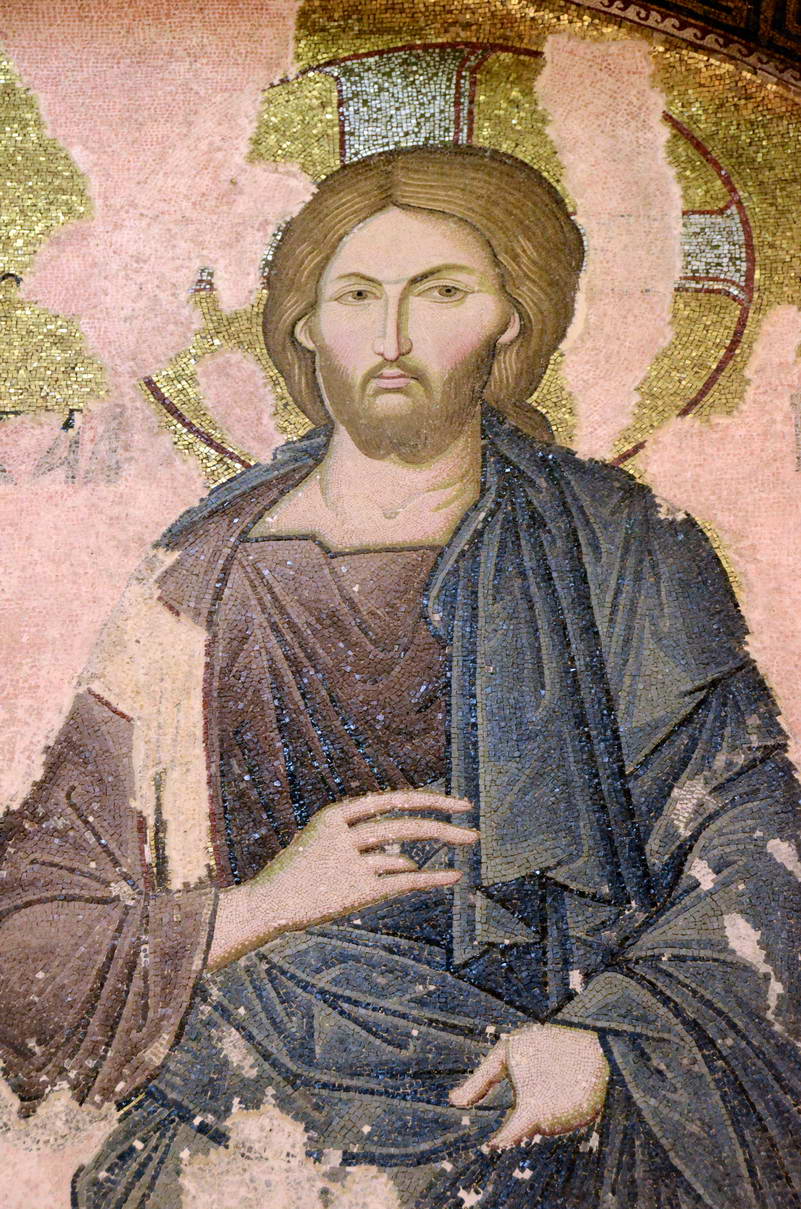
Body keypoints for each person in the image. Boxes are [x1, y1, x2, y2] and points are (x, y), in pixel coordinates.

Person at [2, 145, 801, 1209]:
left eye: (441, 293)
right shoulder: (192, 587)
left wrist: (611, 1046)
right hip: (240, 1142)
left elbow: (756, 853)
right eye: (356, 297)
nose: (390, 338)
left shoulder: (625, 553)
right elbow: (32, 929)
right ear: (304, 326)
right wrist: (262, 907)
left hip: (539, 1121)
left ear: (512, 321)